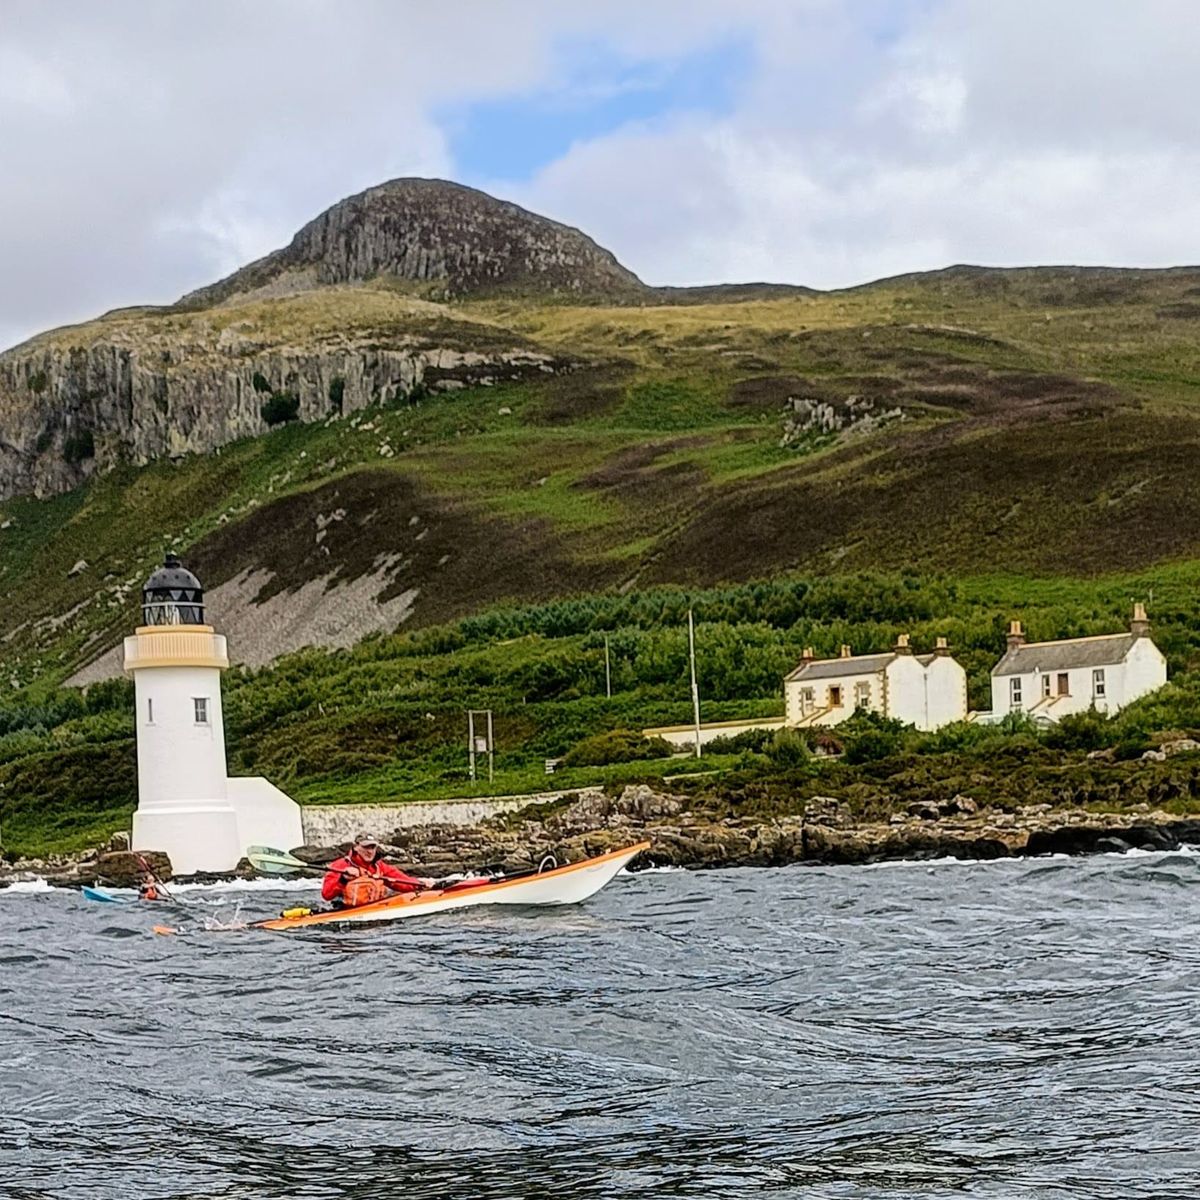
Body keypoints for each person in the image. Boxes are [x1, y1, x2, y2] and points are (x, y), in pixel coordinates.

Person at [322, 834, 433, 908]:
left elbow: (402, 881)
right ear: (355, 847)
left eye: (373, 847)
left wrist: (420, 884)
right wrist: (343, 879)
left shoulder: (379, 867)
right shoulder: (340, 866)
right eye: (366, 847)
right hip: (345, 912)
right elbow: (326, 894)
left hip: (374, 911)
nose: (370, 851)